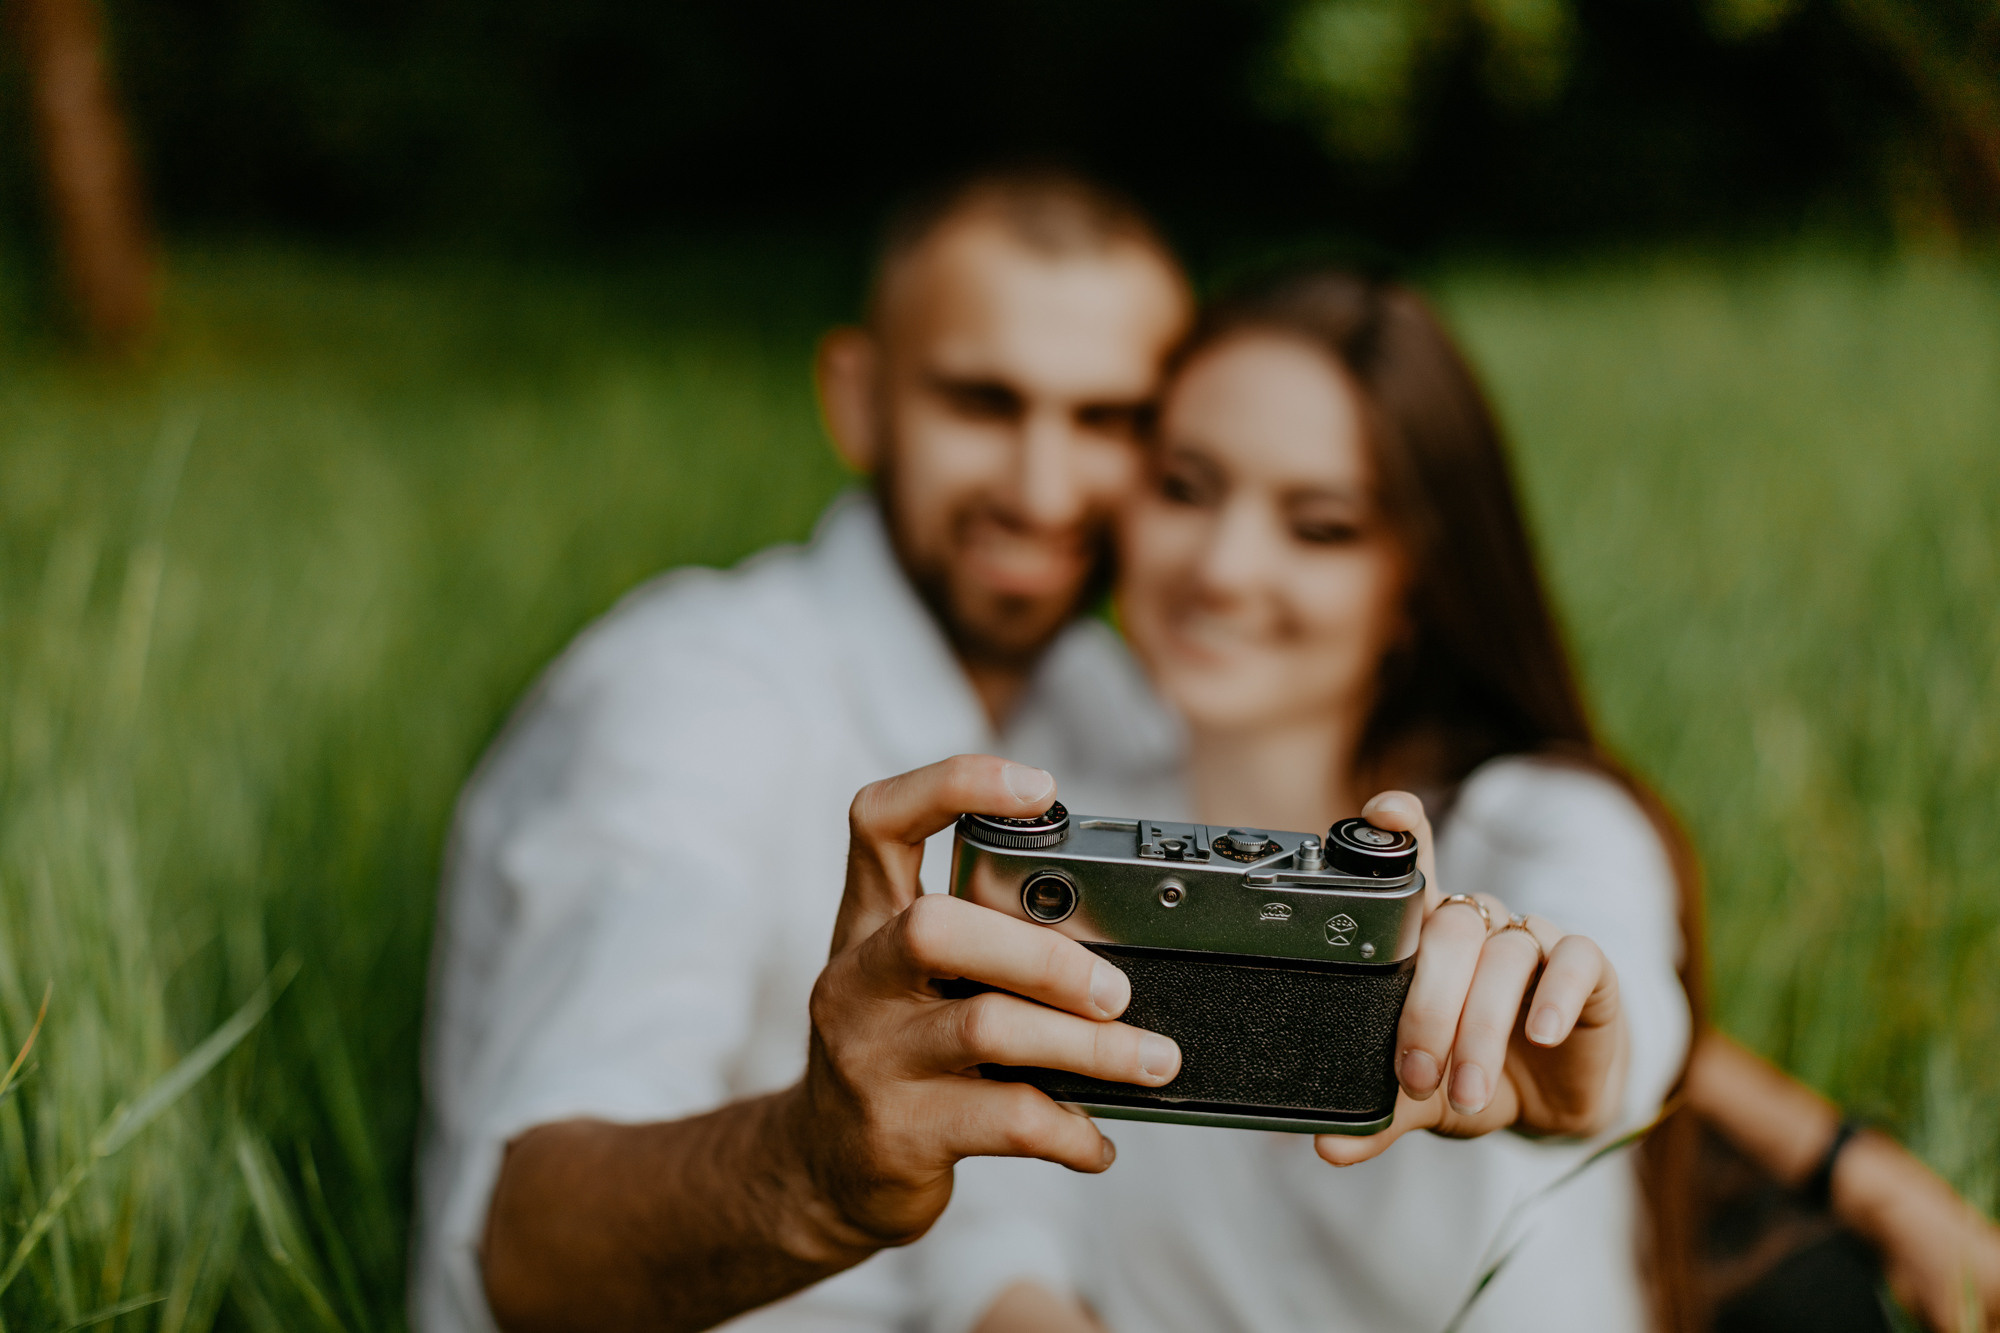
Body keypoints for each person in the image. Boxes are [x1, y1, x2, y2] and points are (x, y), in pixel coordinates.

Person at [983, 266, 2000, 1333]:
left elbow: (1617, 984)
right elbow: (998, 1225)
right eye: (1183, 488)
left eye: (1319, 526)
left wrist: (1578, 1044)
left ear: (1415, 577)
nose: (1224, 565)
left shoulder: (1534, 819)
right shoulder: (1054, 781)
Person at [414, 168, 1197, 1333]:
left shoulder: (1111, 708)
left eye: (1107, 420)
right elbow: (522, 1251)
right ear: (858, 398)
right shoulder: (694, 696)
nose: (1044, 490)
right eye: (983, 403)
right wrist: (815, 1170)